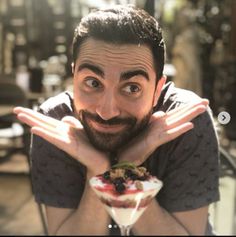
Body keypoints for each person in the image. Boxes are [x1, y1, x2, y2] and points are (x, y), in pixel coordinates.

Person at [14, 5, 220, 236]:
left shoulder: (186, 122)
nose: (107, 111)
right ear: (73, 77)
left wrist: (128, 166)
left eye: (132, 88)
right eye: (93, 83)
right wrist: (99, 171)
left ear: (157, 90)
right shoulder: (54, 123)